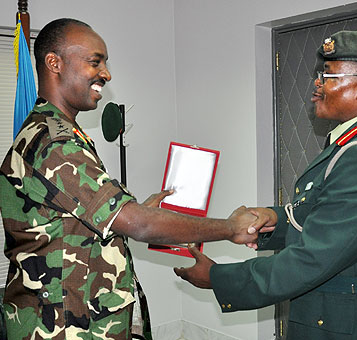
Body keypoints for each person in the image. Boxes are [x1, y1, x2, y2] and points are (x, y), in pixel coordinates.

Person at [0, 18, 259, 340]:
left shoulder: (62, 133)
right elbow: (139, 225)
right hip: (63, 325)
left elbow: (82, 219)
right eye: (95, 62)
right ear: (54, 63)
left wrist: (140, 210)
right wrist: (231, 228)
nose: (106, 74)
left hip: (81, 315)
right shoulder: (55, 143)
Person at [174, 30, 357, 340]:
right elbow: (331, 215)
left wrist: (217, 277)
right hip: (343, 311)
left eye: (327, 76)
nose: (317, 84)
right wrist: (274, 222)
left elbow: (313, 258)